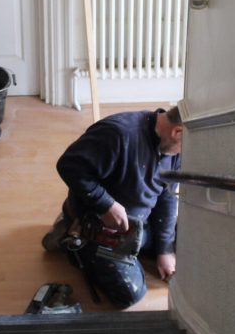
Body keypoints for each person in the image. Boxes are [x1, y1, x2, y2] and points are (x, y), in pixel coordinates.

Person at [43, 107, 183, 308]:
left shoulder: (175, 150)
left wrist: (165, 249)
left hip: (141, 221)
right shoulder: (118, 135)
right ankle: (71, 233)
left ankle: (139, 248)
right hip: (102, 225)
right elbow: (69, 165)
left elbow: (167, 197)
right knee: (129, 295)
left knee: (192, 246)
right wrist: (105, 204)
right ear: (177, 131)